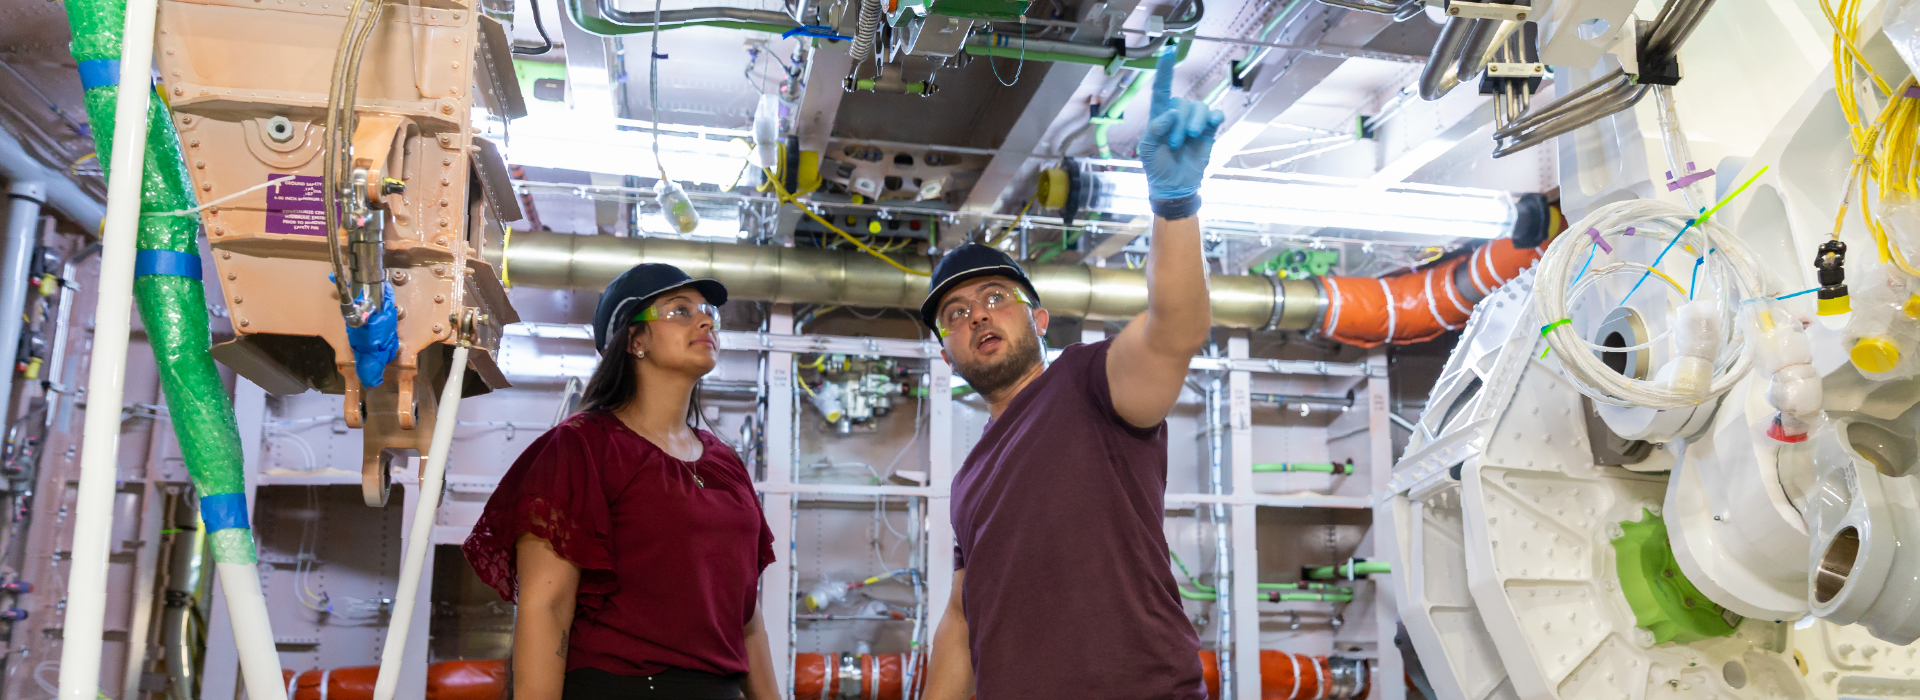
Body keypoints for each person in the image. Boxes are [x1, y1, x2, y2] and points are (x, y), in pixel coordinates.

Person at [920, 46, 1222, 700]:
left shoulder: (1089, 386)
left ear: (1041, 319)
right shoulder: (969, 479)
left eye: (997, 298)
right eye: (956, 313)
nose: (978, 316)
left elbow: (1174, 331)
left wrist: (1175, 209)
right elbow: (961, 615)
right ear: (947, 353)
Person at [462, 264, 780, 700]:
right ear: (635, 340)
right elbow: (547, 608)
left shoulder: (726, 464)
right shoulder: (583, 448)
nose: (705, 320)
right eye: (679, 311)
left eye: (707, 311)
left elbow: (747, 620)